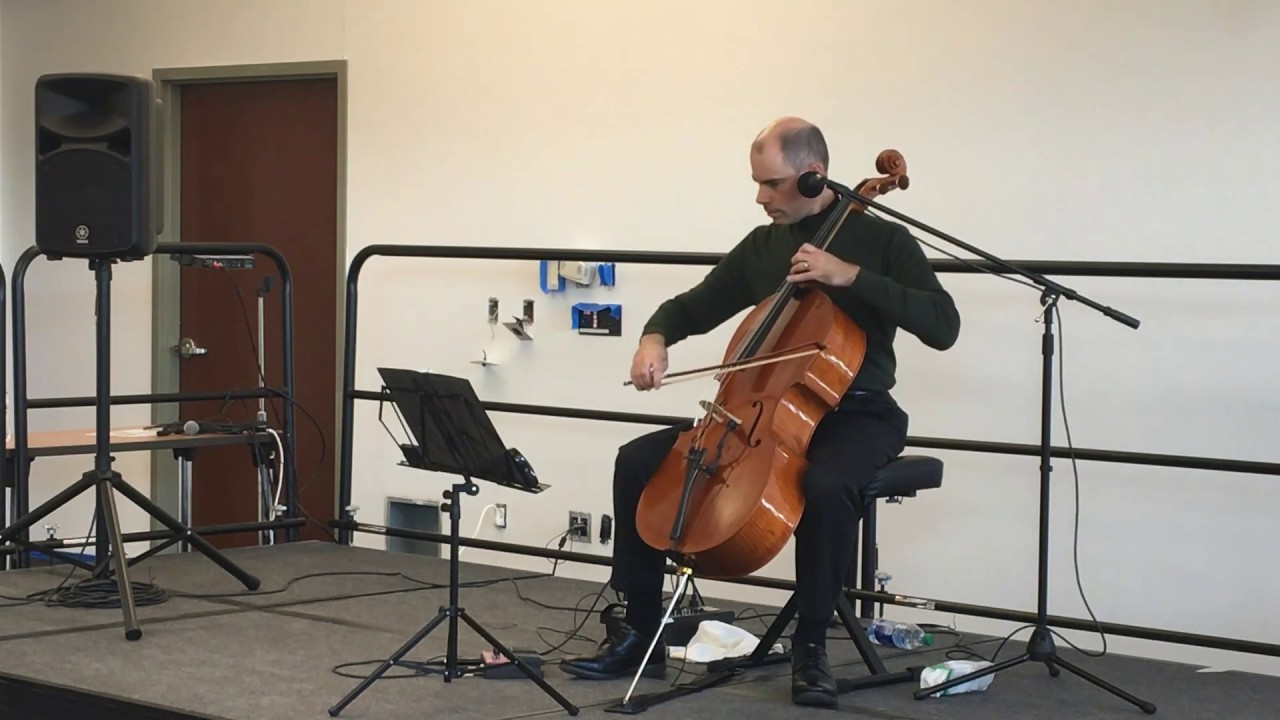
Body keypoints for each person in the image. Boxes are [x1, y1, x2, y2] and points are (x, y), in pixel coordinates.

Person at [560, 117, 961, 708]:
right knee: (638, 461)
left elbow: (944, 326)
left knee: (826, 485)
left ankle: (811, 650)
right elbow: (693, 305)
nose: (759, 196)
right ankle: (639, 630)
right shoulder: (763, 246)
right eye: (757, 182)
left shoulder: (884, 242)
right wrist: (654, 338)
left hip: (859, 413)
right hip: (762, 414)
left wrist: (849, 276)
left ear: (813, 176)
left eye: (771, 183)